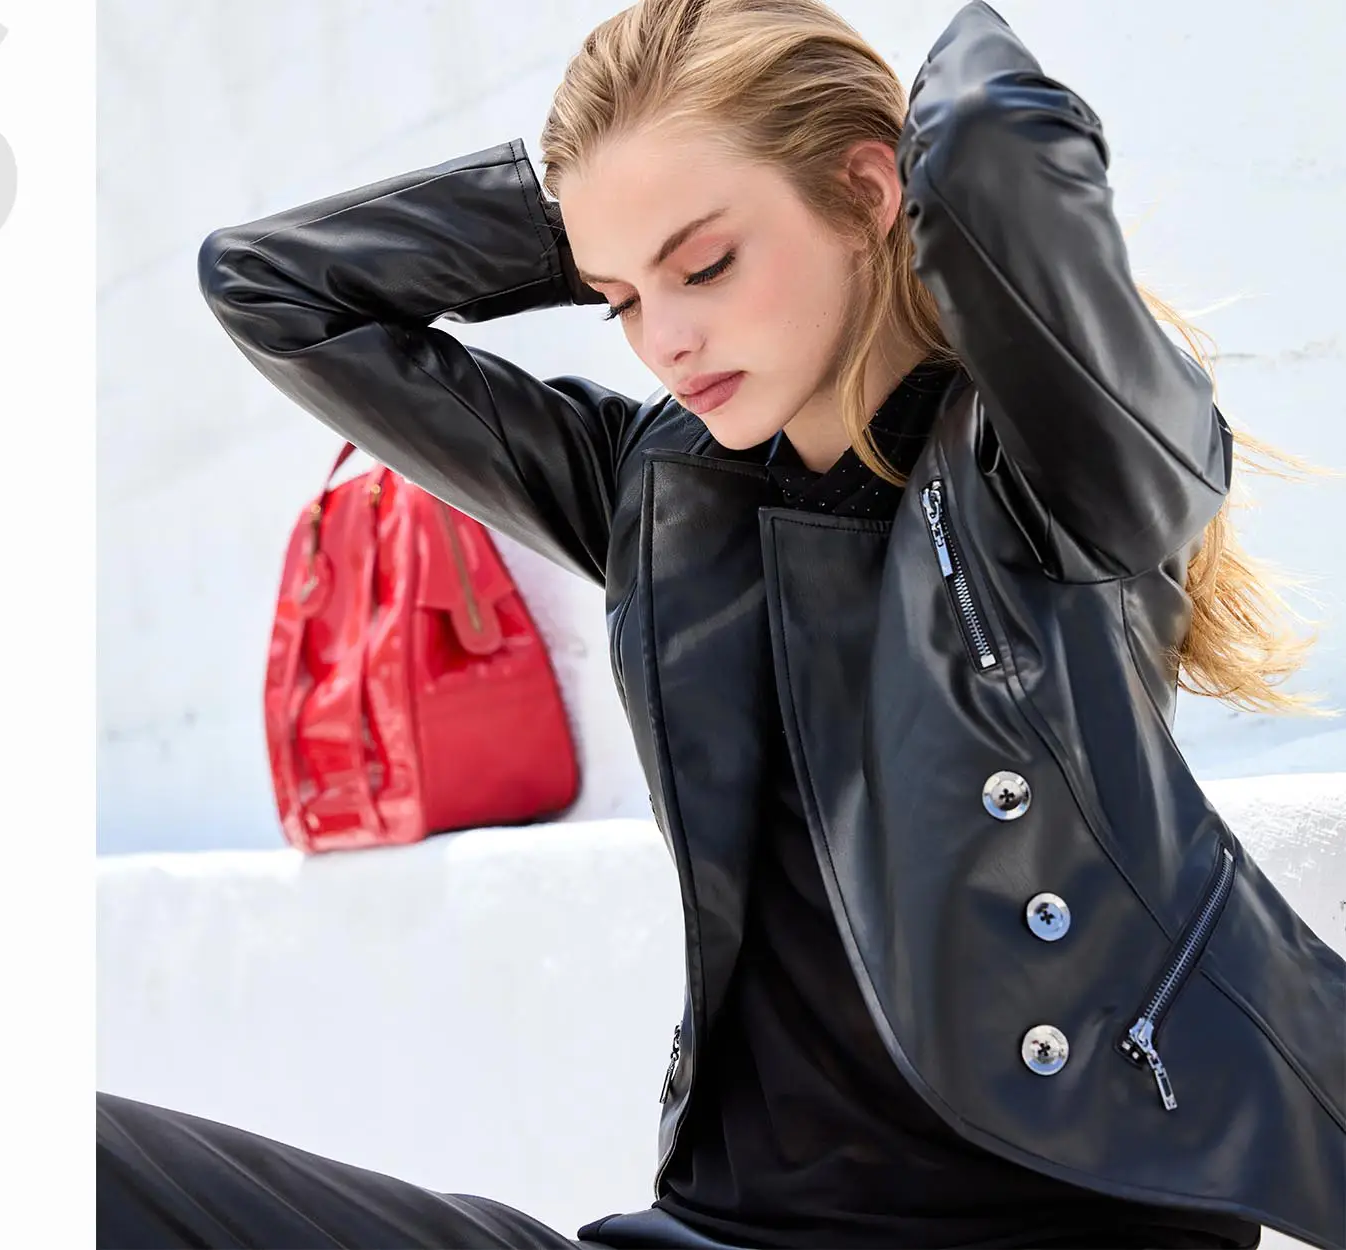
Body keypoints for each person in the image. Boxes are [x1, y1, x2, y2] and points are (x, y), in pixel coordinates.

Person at [98, 2, 1344, 1247]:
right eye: (617, 298)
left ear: (868, 192)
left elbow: (984, 138)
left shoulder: (1067, 469)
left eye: (703, 266)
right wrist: (608, 220)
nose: (665, 339)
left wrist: (831, 154)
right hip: (714, 1228)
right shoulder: (657, 486)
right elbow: (269, 288)